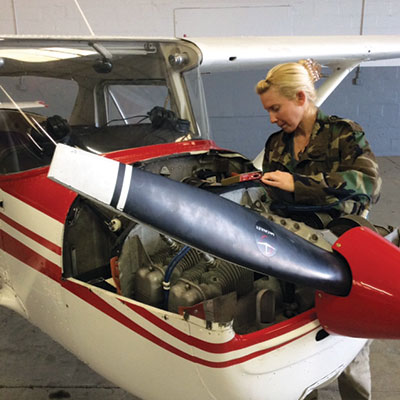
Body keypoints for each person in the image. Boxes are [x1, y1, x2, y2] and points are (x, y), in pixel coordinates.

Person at [255, 59, 381, 400]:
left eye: (276, 108)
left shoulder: (342, 133)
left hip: (339, 251)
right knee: (293, 337)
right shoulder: (276, 143)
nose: (272, 118)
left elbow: (368, 184)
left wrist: (298, 184)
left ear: (300, 97)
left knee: (349, 342)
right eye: (268, 111)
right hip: (291, 251)